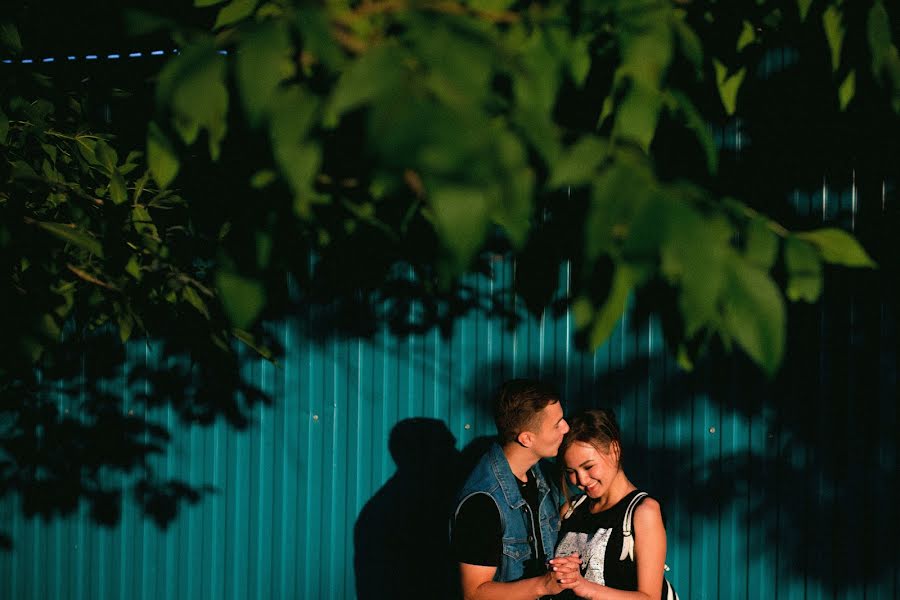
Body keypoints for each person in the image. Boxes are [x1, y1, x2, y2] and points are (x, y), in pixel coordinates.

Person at [451, 379, 570, 599]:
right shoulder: (482, 502)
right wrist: (543, 585)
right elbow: (474, 593)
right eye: (557, 424)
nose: (566, 428)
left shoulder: (544, 475)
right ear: (526, 438)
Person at [548, 409, 678, 600]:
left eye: (588, 466)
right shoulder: (570, 510)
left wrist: (586, 588)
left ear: (615, 450)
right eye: (571, 471)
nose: (581, 479)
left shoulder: (643, 511)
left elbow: (650, 597)